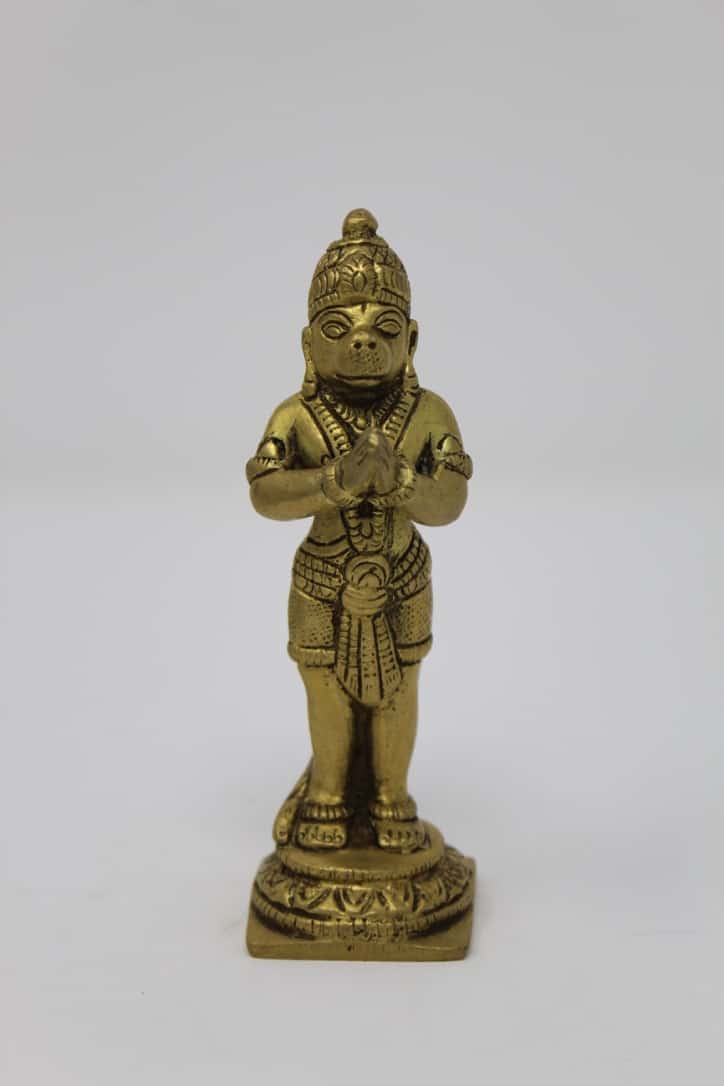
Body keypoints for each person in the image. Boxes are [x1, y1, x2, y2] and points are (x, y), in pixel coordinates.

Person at [246, 209, 472, 852]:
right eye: (338, 329)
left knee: (399, 688)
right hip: (321, 579)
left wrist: (400, 481)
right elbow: (265, 493)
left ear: (413, 341)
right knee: (326, 690)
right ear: (308, 345)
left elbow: (450, 501)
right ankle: (326, 797)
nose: (364, 343)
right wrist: (334, 483)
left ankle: (391, 797)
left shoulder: (429, 413)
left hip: (402, 575)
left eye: (386, 328)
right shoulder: (296, 415)